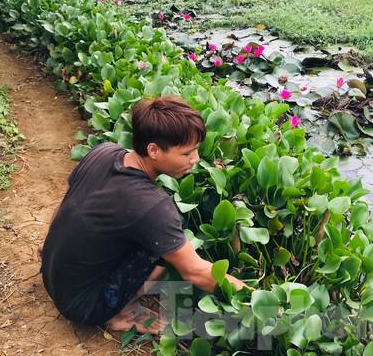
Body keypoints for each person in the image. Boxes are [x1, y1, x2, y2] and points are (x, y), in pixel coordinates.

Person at [40, 96, 245, 334]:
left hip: (53, 276)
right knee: (167, 232)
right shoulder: (152, 207)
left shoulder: (104, 152)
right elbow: (195, 272)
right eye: (187, 153)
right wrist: (261, 299)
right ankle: (122, 312)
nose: (195, 159)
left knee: (164, 228)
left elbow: (64, 205)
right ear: (153, 150)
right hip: (85, 306)